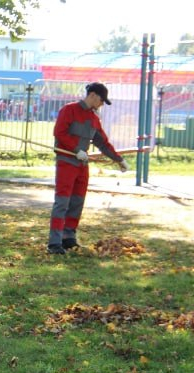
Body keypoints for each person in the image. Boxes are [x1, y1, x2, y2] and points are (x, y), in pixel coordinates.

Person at [48, 82, 128, 254]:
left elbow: (103, 143)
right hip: (66, 162)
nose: (101, 104)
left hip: (82, 165)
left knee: (77, 202)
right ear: (92, 95)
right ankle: (54, 243)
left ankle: (68, 238)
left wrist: (118, 159)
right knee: (62, 202)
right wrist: (77, 150)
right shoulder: (69, 110)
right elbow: (59, 133)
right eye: (101, 100)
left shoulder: (93, 119)